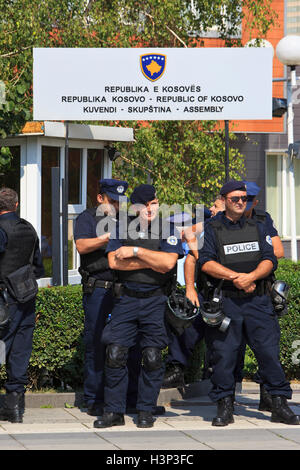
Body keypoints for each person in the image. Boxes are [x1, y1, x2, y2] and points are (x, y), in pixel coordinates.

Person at [198, 180, 299, 426]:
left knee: (268, 353)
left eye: (244, 198)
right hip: (228, 300)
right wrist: (236, 278)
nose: (241, 202)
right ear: (223, 200)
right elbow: (206, 262)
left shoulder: (258, 225)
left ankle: (279, 403)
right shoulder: (212, 228)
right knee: (224, 355)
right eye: (235, 198)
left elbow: (270, 259)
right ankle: (224, 405)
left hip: (257, 300)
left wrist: (251, 277)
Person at [93, 184, 184, 429]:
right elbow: (114, 263)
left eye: (154, 203)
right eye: (145, 204)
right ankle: (114, 411)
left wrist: (135, 251)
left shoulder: (167, 229)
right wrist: (151, 262)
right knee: (115, 354)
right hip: (126, 299)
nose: (151, 208)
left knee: (153, 357)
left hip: (155, 300)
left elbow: (167, 264)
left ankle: (145, 410)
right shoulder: (121, 227)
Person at [74, 178, 130, 416]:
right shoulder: (88, 218)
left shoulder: (128, 220)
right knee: (96, 343)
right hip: (99, 287)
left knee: (124, 344)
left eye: (119, 202)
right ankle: (94, 398)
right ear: (100, 198)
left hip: (124, 288)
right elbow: (81, 246)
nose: (115, 205)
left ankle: (123, 398)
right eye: (111, 201)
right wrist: (108, 237)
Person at [162, 199, 224, 389]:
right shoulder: (209, 227)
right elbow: (191, 258)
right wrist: (190, 288)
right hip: (206, 292)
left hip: (230, 293)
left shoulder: (242, 230)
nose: (211, 209)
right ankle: (176, 371)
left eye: (215, 206)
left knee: (227, 340)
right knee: (187, 329)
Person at [0, 188, 44, 423]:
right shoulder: (29, 228)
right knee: (20, 351)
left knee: (1, 348)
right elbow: (38, 264)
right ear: (16, 205)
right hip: (27, 295)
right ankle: (14, 407)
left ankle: (11, 407)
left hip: (4, 299)